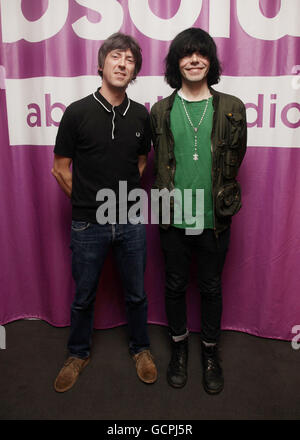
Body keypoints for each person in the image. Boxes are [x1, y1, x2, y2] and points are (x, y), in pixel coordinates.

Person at [52, 32, 157, 393]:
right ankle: (77, 354)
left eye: (129, 60)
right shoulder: (77, 112)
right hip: (87, 223)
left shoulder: (142, 115)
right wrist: (87, 199)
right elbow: (59, 168)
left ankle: (141, 349)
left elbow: (142, 161)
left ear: (134, 72)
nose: (122, 63)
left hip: (130, 220)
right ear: (101, 64)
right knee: (83, 295)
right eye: (116, 57)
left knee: (137, 293)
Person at [150, 28, 247, 394]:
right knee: (174, 286)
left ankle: (209, 353)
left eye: (201, 54)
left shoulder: (232, 107)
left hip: (214, 219)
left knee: (210, 287)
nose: (194, 60)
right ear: (177, 63)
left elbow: (235, 159)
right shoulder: (160, 110)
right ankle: (178, 350)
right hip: (172, 217)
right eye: (186, 54)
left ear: (210, 61)